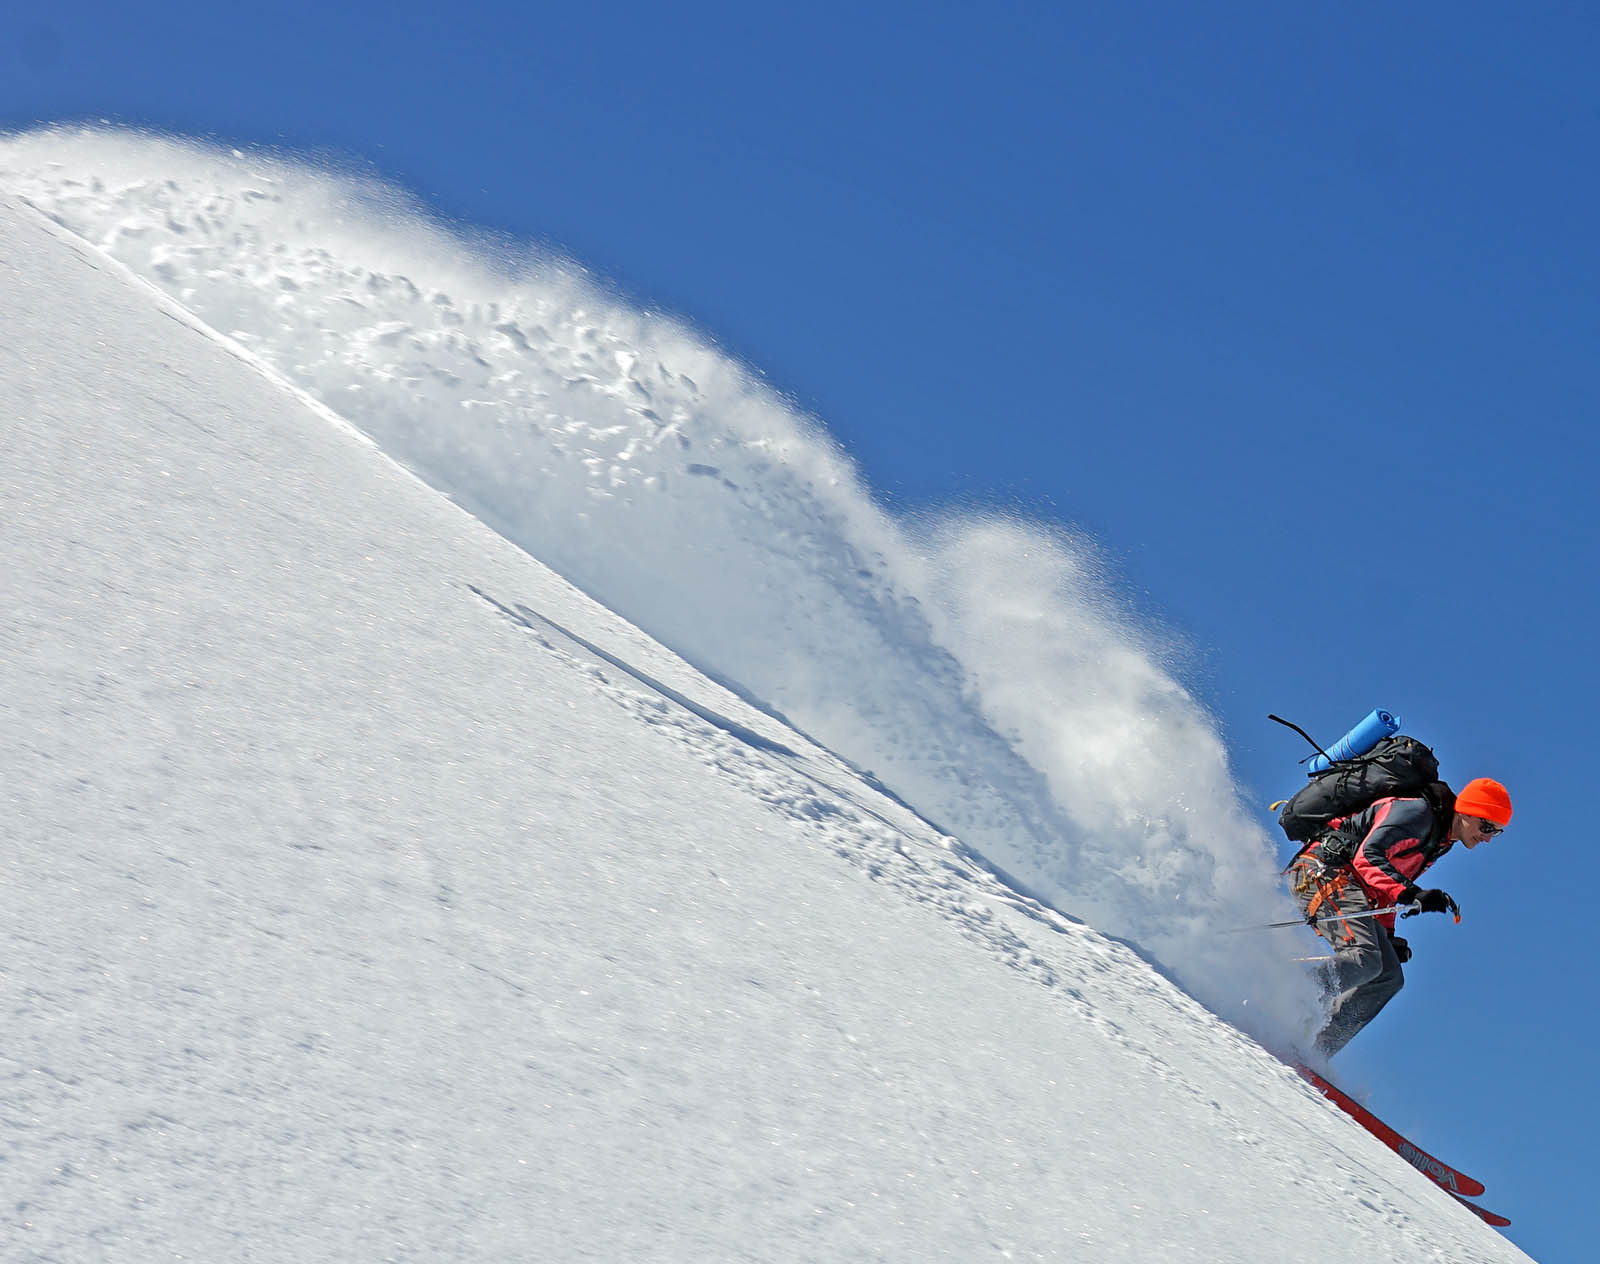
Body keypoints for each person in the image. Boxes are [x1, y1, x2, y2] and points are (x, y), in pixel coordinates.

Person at [1288, 777, 1513, 1058]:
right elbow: (1367, 858)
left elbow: (1384, 891)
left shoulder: (1441, 839)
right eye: (1487, 826)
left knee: (1388, 977)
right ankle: (1281, 1000)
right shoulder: (1417, 813)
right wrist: (1411, 894)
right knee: (1365, 959)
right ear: (1467, 811)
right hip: (1321, 873)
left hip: (1350, 885)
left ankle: (1315, 1053)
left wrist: (1389, 935)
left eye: (1497, 832)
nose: (1488, 837)